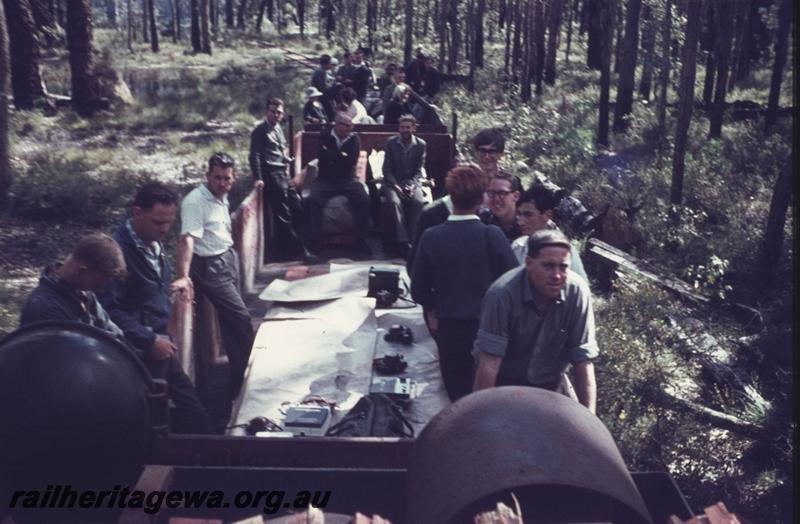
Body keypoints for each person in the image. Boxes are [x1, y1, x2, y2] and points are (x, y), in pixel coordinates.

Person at [97, 183, 210, 434]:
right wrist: (148, 340)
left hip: (161, 346)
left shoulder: (153, 244)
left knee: (194, 415)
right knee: (152, 425)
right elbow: (108, 310)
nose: (165, 229)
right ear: (137, 212)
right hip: (137, 354)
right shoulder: (117, 252)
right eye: (158, 222)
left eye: (170, 222)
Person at [411, 165, 517, 401]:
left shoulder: (432, 236)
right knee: (486, 398)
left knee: (456, 397)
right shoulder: (492, 235)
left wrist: (432, 308)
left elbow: (418, 289)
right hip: (490, 330)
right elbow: (513, 282)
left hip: (449, 330)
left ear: (450, 196)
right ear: (482, 199)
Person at [472, 229, 598, 413]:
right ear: (529, 263)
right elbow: (489, 364)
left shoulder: (577, 293)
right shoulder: (502, 294)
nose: (556, 276)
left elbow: (583, 361)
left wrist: (590, 419)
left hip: (549, 386)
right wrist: (480, 417)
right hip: (503, 384)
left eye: (563, 267)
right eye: (547, 266)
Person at [172, 152, 256, 400]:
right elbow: (187, 238)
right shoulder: (195, 202)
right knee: (241, 319)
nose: (222, 183)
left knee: (231, 323)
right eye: (217, 178)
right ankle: (253, 374)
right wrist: (184, 275)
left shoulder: (221, 195)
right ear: (207, 176)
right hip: (210, 268)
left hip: (227, 258)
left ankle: (239, 381)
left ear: (233, 177)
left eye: (227, 178)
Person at [249, 97, 317, 262]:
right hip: (271, 175)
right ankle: (299, 251)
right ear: (267, 112)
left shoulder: (278, 128)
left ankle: (300, 244)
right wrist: (258, 177)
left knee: (298, 206)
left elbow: (278, 150)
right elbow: (255, 155)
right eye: (273, 111)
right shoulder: (260, 131)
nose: (276, 115)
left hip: (283, 173)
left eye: (279, 112)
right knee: (283, 214)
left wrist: (286, 159)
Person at [20, 233, 128, 331]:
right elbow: (68, 350)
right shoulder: (45, 309)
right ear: (81, 271)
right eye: (99, 283)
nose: (101, 288)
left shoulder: (82, 291)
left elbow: (111, 331)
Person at [306, 113, 371, 254]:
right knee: (312, 200)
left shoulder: (354, 139)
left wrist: (332, 156)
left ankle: (361, 241)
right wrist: (341, 155)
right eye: (347, 126)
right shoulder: (324, 136)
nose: (350, 129)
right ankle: (314, 242)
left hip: (348, 180)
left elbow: (351, 161)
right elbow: (321, 158)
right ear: (337, 125)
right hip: (325, 180)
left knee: (364, 199)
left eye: (351, 126)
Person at [512, 183, 589, 282]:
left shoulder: (566, 251)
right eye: (519, 214)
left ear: (547, 215)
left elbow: (582, 287)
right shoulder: (517, 246)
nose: (520, 221)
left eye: (528, 215)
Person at [381, 114, 428, 255]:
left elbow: (419, 170)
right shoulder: (391, 142)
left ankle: (414, 240)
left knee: (418, 202)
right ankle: (404, 242)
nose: (405, 130)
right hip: (392, 183)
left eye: (408, 127)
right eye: (402, 127)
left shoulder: (421, 145)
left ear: (414, 128)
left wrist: (413, 186)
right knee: (395, 202)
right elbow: (387, 169)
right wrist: (396, 186)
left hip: (411, 183)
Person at [480, 171, 523, 241]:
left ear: (516, 196)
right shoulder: (483, 221)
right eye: (492, 193)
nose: (496, 198)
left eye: (502, 193)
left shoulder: (525, 224)